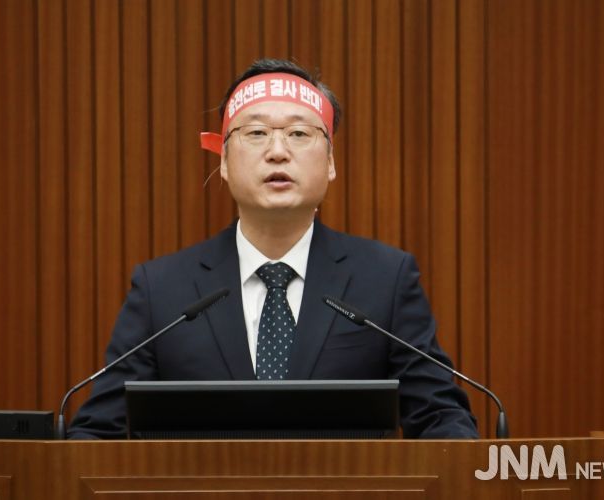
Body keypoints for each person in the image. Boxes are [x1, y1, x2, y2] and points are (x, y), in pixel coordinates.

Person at [68, 59, 478, 439]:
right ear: (224, 161)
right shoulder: (162, 291)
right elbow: (97, 434)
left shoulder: (385, 280)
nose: (277, 151)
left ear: (330, 162)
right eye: (256, 133)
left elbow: (441, 418)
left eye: (299, 134)